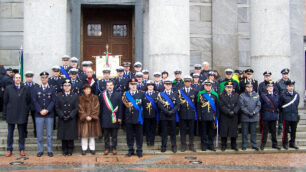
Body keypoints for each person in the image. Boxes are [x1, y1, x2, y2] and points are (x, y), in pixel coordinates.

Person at [3, 73, 31, 157]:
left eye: (19, 78)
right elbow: (5, 101)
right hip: (11, 114)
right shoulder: (8, 88)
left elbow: (28, 100)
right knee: (10, 133)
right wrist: (5, 114)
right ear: (13, 79)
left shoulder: (25, 88)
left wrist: (25, 111)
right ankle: (9, 149)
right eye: (16, 78)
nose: (18, 79)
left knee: (21, 134)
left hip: (21, 114)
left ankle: (22, 149)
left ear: (21, 79)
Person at [32, 71, 56, 157]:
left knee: (49, 134)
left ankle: (49, 150)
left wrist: (47, 110)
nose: (44, 79)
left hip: (49, 114)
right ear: (40, 78)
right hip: (39, 114)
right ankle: (40, 150)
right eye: (42, 77)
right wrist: (40, 110)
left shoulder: (52, 89)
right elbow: (34, 101)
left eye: (45, 77)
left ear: (48, 78)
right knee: (39, 134)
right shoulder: (36, 89)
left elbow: (53, 101)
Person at [99, 81, 123, 155]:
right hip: (105, 117)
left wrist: (120, 117)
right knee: (106, 135)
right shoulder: (102, 95)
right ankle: (106, 148)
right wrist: (101, 117)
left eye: (111, 85)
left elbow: (121, 107)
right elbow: (100, 107)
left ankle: (114, 148)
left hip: (114, 118)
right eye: (108, 85)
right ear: (106, 86)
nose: (109, 86)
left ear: (113, 86)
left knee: (114, 135)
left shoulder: (118, 94)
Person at [122, 78, 145, 157]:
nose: (133, 86)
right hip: (129, 118)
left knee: (139, 135)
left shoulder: (141, 94)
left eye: (135, 84)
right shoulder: (125, 94)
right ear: (129, 85)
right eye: (132, 84)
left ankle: (139, 150)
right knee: (129, 135)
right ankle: (130, 149)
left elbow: (144, 106)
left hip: (138, 118)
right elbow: (123, 107)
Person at [56, 80, 79, 156]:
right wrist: (62, 115)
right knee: (63, 134)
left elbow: (76, 107)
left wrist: (71, 115)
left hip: (71, 118)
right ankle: (64, 149)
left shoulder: (75, 96)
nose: (66, 87)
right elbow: (57, 107)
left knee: (70, 134)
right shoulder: (59, 96)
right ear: (63, 87)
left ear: (71, 86)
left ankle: (70, 149)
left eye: (68, 85)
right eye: (65, 86)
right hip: (62, 117)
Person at [78, 84, 102, 155]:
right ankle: (84, 149)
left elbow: (97, 107)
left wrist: (92, 116)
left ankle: (92, 148)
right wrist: (85, 116)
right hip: (84, 119)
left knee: (92, 135)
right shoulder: (80, 98)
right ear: (84, 90)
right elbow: (80, 108)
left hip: (92, 119)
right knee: (84, 135)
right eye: (86, 89)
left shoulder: (95, 97)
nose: (88, 90)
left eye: (89, 89)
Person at [157, 79, 180, 153]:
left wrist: (172, 111)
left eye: (169, 84)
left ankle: (174, 146)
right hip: (164, 115)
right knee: (164, 132)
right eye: (166, 84)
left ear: (171, 85)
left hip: (172, 115)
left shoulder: (175, 94)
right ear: (164, 85)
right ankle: (163, 146)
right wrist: (166, 111)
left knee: (173, 132)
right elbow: (159, 104)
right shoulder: (160, 94)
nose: (168, 86)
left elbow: (178, 104)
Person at [197, 79, 219, 151]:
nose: (208, 87)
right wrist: (199, 115)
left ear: (211, 86)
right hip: (203, 116)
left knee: (211, 132)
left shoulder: (215, 95)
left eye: (209, 85)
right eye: (206, 85)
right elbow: (198, 106)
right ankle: (203, 145)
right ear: (204, 86)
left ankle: (211, 145)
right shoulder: (200, 94)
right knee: (203, 132)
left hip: (212, 116)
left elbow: (217, 106)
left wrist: (216, 116)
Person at [239, 82, 261, 151]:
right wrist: (248, 113)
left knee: (253, 132)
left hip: (254, 116)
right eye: (248, 87)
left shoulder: (256, 95)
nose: (249, 88)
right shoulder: (242, 95)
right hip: (245, 116)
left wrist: (254, 112)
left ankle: (254, 144)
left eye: (251, 87)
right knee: (244, 132)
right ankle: (244, 145)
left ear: (252, 88)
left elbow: (258, 105)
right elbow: (242, 106)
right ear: (245, 88)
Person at [260, 80, 280, 150]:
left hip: (274, 114)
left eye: (272, 86)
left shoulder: (277, 95)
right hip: (266, 114)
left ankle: (274, 144)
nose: (271, 88)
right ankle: (263, 144)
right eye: (269, 86)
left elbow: (278, 105)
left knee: (273, 131)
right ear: (267, 88)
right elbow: (261, 106)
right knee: (265, 131)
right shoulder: (263, 95)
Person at [219, 81, 240, 151]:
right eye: (228, 87)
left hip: (234, 116)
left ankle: (233, 145)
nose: (229, 89)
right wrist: (228, 111)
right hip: (225, 116)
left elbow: (238, 105)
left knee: (233, 131)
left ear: (233, 88)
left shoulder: (236, 95)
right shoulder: (221, 96)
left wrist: (234, 111)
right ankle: (223, 145)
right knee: (224, 131)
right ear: (225, 88)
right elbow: (221, 105)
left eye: (230, 87)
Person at [178, 76, 197, 152]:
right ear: (184, 83)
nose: (187, 83)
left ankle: (191, 145)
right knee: (183, 131)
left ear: (191, 82)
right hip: (183, 114)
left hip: (191, 114)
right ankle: (183, 145)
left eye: (189, 82)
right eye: (186, 82)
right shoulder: (180, 91)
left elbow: (196, 103)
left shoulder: (194, 91)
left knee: (191, 131)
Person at [280, 80, 300, 150]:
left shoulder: (296, 95)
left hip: (294, 115)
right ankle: (285, 143)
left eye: (292, 86)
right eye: (290, 86)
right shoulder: (283, 94)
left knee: (293, 131)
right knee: (285, 131)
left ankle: (292, 143)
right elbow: (281, 105)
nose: (291, 87)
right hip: (286, 115)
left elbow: (296, 104)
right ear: (287, 87)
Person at [143, 80, 159, 146]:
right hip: (146, 114)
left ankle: (152, 140)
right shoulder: (143, 94)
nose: (150, 87)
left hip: (154, 114)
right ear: (147, 86)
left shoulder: (157, 94)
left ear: (153, 86)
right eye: (149, 85)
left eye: (152, 85)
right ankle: (148, 140)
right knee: (147, 128)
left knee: (153, 128)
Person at [24, 71, 39, 138]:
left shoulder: (36, 85)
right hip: (25, 106)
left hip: (34, 106)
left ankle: (36, 133)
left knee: (35, 121)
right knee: (24, 121)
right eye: (28, 77)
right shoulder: (23, 86)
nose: (29, 78)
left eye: (30, 77)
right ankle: (24, 134)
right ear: (26, 78)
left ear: (32, 77)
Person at [276, 68, 290, 135]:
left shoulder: (291, 82)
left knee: (289, 116)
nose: (285, 75)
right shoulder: (279, 82)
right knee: (281, 117)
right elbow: (277, 92)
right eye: (284, 74)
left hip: (289, 102)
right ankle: (280, 129)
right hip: (282, 101)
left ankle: (288, 129)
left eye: (286, 74)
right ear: (282, 74)